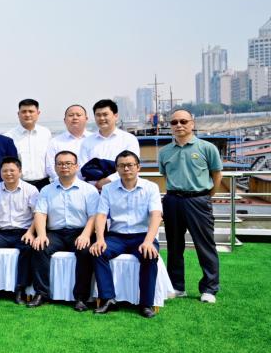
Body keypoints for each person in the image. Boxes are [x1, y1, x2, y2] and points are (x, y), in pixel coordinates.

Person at [158, 109, 222, 303]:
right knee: (174, 246)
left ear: (192, 123)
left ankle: (209, 289)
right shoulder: (164, 152)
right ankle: (177, 287)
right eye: (174, 122)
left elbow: (217, 175)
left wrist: (205, 197)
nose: (179, 125)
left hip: (198, 201)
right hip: (172, 201)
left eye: (183, 121)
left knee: (205, 245)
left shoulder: (207, 148)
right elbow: (166, 175)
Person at [89, 151, 163, 318]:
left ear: (138, 167)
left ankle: (146, 303)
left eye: (130, 165)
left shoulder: (151, 187)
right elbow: (101, 215)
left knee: (149, 255)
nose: (126, 169)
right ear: (117, 169)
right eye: (121, 166)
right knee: (98, 251)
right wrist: (99, 239)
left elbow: (156, 215)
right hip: (117, 236)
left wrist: (149, 241)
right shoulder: (108, 189)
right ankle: (108, 299)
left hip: (142, 235)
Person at [29, 151, 98, 310]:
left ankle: (81, 297)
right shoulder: (47, 190)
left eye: (68, 163)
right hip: (56, 233)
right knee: (39, 247)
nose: (64, 167)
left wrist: (86, 235)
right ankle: (41, 294)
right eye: (60, 164)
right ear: (55, 167)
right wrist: (41, 235)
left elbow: (94, 216)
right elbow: (40, 213)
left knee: (85, 251)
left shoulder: (89, 190)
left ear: (76, 166)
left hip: (80, 231)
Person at [0, 157, 39, 304]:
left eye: (12, 170)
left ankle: (20, 289)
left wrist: (31, 232)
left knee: (29, 248)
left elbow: (38, 214)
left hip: (24, 232)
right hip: (2, 233)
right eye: (5, 171)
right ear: (0, 172)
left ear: (20, 172)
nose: (8, 173)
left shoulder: (31, 190)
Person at [79, 99, 140, 189]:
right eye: (98, 115)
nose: (101, 118)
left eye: (105, 114)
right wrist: (93, 185)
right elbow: (82, 167)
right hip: (93, 190)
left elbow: (132, 166)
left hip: (122, 188)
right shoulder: (87, 141)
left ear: (115, 116)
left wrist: (108, 180)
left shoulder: (129, 139)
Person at [7, 99, 52, 191]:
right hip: (19, 184)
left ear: (38, 113)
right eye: (24, 111)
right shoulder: (9, 136)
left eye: (31, 111)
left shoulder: (45, 133)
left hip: (44, 183)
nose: (27, 114)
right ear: (18, 114)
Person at [44, 104, 90, 183]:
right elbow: (50, 166)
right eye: (71, 115)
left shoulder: (94, 139)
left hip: (92, 185)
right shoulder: (55, 142)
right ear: (65, 120)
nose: (75, 118)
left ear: (86, 119)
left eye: (78, 115)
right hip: (63, 185)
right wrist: (64, 182)